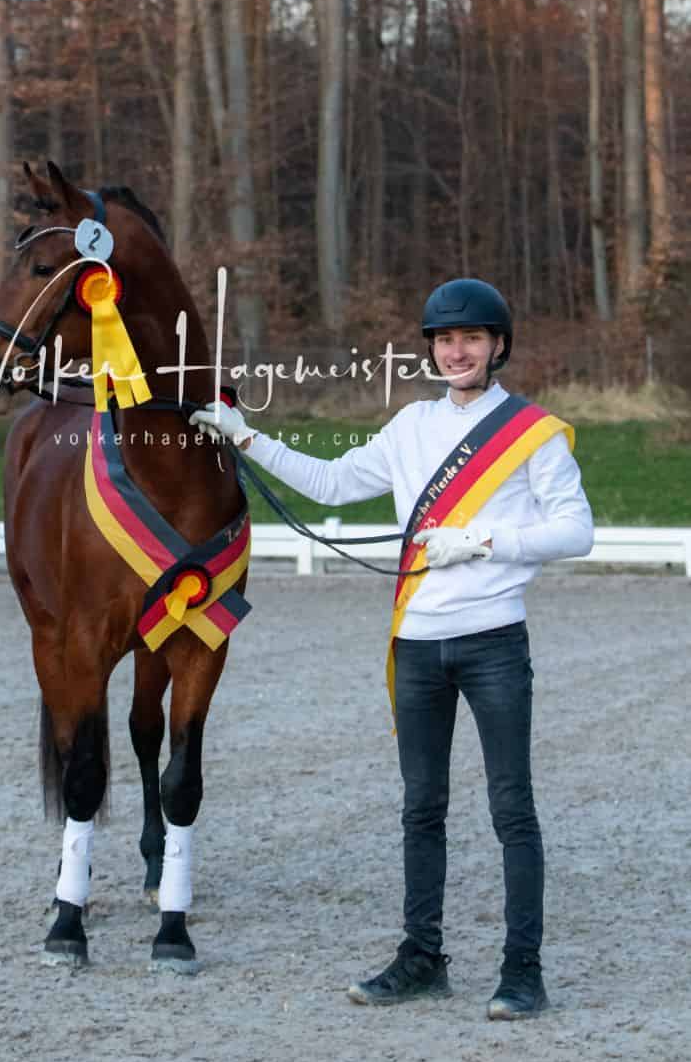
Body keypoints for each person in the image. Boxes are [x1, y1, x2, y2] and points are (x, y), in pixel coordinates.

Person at [190, 278, 593, 1020]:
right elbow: (331, 483)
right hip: (416, 643)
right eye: (445, 340)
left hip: (493, 641)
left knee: (511, 809)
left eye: (471, 339)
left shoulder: (532, 433)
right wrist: (244, 436)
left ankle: (522, 971)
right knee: (421, 808)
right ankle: (422, 957)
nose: (457, 352)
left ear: (498, 346)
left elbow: (576, 531)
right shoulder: (410, 425)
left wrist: (481, 540)